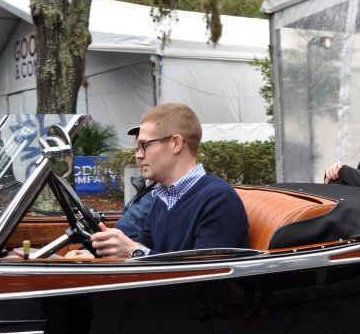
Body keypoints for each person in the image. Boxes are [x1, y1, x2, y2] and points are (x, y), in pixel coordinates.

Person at [90, 103, 249, 257]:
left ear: (176, 144)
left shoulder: (219, 199)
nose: (138, 155)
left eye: (144, 145)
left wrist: (133, 250)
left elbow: (207, 275)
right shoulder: (163, 199)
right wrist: (93, 254)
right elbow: (142, 253)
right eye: (137, 148)